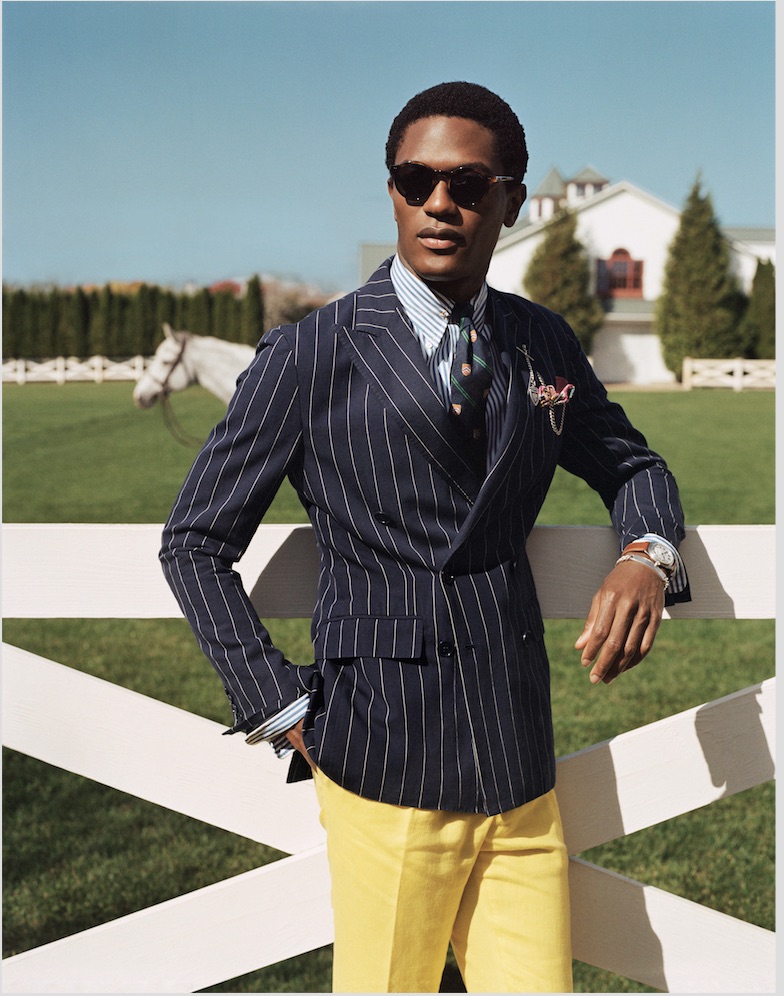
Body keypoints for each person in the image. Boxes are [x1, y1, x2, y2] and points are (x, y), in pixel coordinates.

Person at [160, 81, 690, 993]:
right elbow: (194, 542)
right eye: (416, 181)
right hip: (379, 757)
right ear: (394, 192)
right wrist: (282, 709)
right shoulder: (310, 353)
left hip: (517, 760)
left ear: (510, 201)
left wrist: (648, 555)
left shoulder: (543, 343)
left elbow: (634, 468)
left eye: (469, 184)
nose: (440, 202)